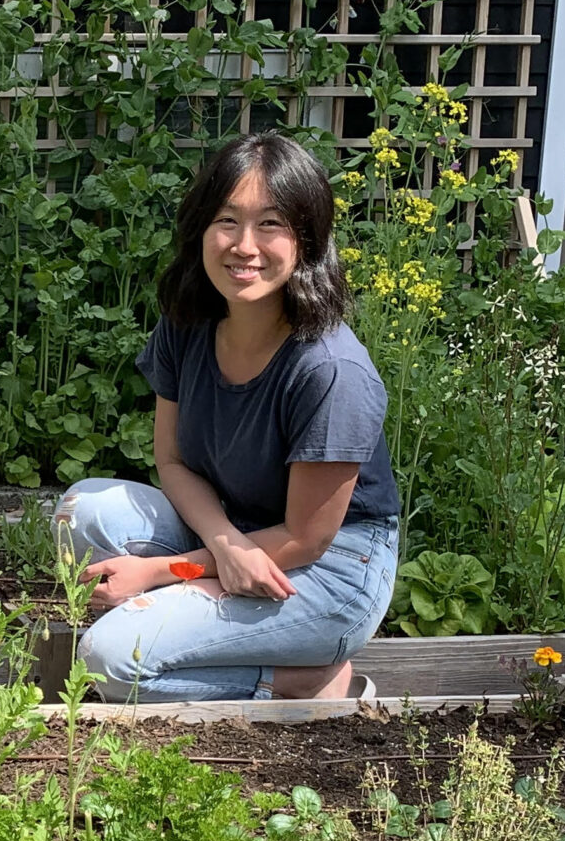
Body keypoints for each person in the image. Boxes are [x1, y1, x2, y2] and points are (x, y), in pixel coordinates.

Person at [56, 130, 400, 701]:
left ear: (307, 241)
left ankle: (303, 680)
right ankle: (176, 629)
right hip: (232, 530)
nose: (245, 245)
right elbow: (171, 459)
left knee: (107, 662)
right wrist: (222, 545)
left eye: (271, 224)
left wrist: (165, 574)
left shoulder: (332, 371)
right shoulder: (187, 323)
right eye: (227, 221)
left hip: (325, 570)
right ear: (200, 231)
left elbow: (304, 538)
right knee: (83, 511)